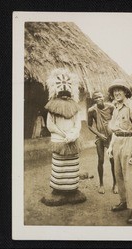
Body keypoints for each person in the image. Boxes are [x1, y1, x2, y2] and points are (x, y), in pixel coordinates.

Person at [41, 68, 86, 206]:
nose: (65, 96)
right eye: (62, 93)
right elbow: (50, 126)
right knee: (59, 166)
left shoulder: (75, 108)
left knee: (72, 165)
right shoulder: (52, 108)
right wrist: (64, 134)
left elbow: (77, 125)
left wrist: (73, 135)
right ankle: (58, 190)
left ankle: (72, 190)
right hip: (59, 141)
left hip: (72, 141)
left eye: (67, 93)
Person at [107, 79, 132, 225]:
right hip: (117, 142)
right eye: (114, 90)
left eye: (119, 90)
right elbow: (115, 130)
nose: (116, 92)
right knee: (119, 174)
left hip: (129, 142)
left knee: (130, 177)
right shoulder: (116, 108)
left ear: (125, 91)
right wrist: (110, 146)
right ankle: (123, 201)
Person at [88, 91, 117, 194]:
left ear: (103, 97)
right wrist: (99, 135)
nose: (98, 99)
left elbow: (116, 120)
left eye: (99, 97)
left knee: (113, 160)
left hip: (111, 137)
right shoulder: (92, 110)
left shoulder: (111, 107)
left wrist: (111, 126)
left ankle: (115, 184)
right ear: (94, 100)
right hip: (100, 137)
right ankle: (101, 184)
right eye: (95, 98)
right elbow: (89, 126)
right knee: (100, 160)